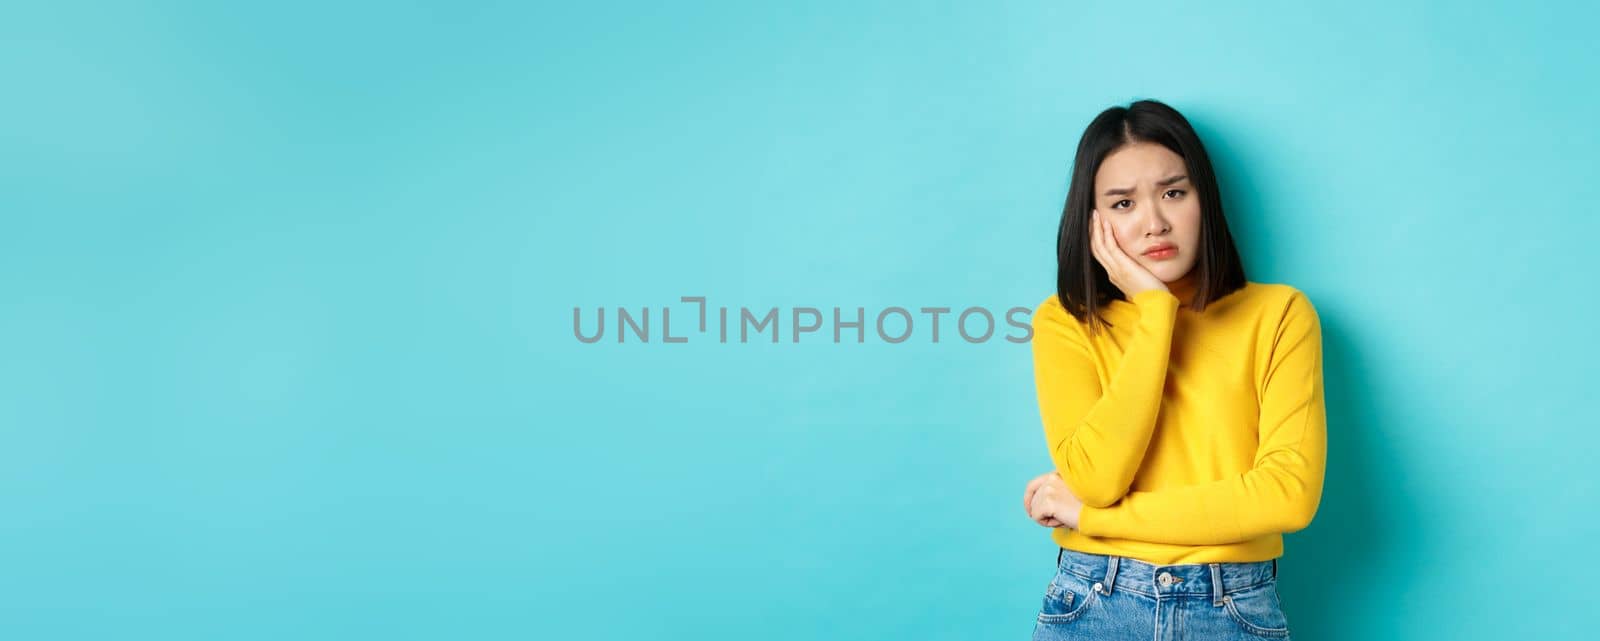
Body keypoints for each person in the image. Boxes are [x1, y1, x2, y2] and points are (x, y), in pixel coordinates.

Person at [1020, 99, 1326, 640]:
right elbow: (1097, 477)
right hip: (1094, 600)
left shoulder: (1278, 314)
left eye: (1173, 193)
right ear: (1092, 221)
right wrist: (1156, 311)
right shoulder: (1067, 322)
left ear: (1203, 198)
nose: (1154, 222)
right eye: (1122, 204)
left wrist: (1094, 518)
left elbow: (1286, 497)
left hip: (1232, 606)